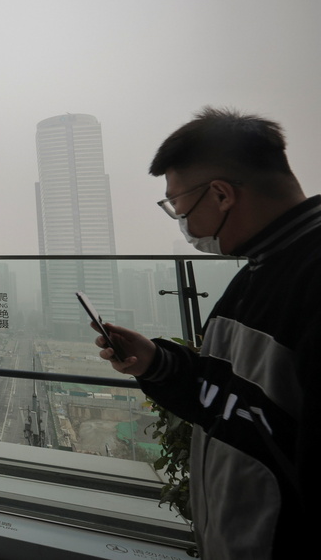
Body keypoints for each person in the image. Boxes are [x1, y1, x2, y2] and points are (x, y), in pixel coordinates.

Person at [96, 107, 318, 559]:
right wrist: (156, 364)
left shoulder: (307, 280)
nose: (185, 226)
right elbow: (230, 400)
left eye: (179, 207)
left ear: (221, 195)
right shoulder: (258, 271)